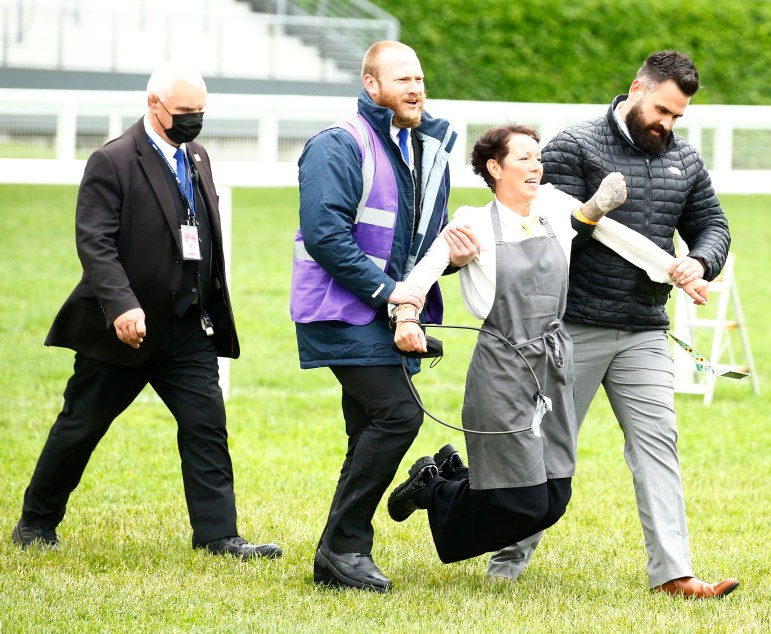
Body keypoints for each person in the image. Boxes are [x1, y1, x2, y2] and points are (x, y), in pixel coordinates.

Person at [487, 50, 738, 599]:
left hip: (646, 329)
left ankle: (674, 574)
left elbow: (712, 225)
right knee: (547, 447)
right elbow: (538, 228)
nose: (667, 125)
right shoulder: (574, 147)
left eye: (677, 117)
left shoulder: (686, 162)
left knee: (658, 445)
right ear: (637, 88)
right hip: (571, 328)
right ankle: (506, 559)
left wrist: (700, 259)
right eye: (663, 110)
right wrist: (596, 212)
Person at [11, 62, 281, 560]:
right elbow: (95, 244)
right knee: (80, 426)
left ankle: (219, 536)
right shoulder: (112, 160)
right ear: (154, 105)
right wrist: (122, 306)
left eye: (200, 111)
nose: (194, 120)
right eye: (184, 112)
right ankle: (36, 523)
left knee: (206, 425)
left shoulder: (197, 156)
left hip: (188, 327)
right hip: (124, 329)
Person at [386, 124, 628, 566]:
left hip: (553, 363)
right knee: (523, 503)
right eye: (524, 158)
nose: (536, 166)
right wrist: (406, 316)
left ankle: (448, 478)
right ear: (495, 168)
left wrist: (670, 266)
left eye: (538, 157)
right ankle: (436, 490)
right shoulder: (472, 223)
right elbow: (420, 276)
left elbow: (590, 222)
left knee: (554, 499)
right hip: (502, 367)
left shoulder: (554, 207)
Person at [291, 41, 478, 593]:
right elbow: (326, 236)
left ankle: (337, 556)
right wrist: (393, 295)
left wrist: (450, 263)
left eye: (419, 78)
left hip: (390, 310)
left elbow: (411, 243)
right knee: (397, 416)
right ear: (371, 85)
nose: (415, 89)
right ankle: (344, 547)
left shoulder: (426, 149)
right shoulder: (338, 145)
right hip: (342, 310)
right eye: (401, 80)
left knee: (366, 430)